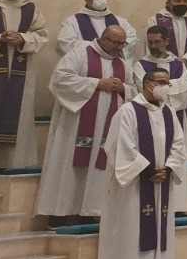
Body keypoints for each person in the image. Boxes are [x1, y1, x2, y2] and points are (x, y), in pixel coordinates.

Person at [96, 65, 185, 259]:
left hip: (161, 182)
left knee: (159, 227)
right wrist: (147, 171)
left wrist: (168, 168)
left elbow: (179, 146)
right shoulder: (128, 111)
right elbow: (119, 145)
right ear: (148, 84)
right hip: (134, 185)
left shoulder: (169, 113)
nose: (166, 87)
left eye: (168, 83)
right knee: (131, 228)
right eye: (162, 83)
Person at [36, 23, 131, 223]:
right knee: (70, 166)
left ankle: (91, 212)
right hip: (75, 126)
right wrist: (96, 83)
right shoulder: (79, 54)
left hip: (108, 127)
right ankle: (61, 213)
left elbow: (135, 91)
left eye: (122, 44)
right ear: (104, 38)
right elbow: (60, 80)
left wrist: (123, 88)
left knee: (100, 167)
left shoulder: (124, 63)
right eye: (115, 43)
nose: (118, 48)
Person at [131, 25, 187, 211]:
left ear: (167, 41)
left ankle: (177, 207)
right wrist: (170, 86)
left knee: (175, 154)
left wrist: (162, 87)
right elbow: (143, 87)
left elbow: (186, 87)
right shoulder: (140, 65)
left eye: (157, 41)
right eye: (149, 42)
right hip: (148, 117)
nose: (153, 45)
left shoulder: (178, 65)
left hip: (173, 117)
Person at [0, 0, 48, 170]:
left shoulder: (30, 8)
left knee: (20, 115)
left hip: (21, 74)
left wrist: (23, 38)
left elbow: (42, 34)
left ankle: (14, 164)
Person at [148, 0, 187, 156]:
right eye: (177, 1)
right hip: (161, 68)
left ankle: (186, 150)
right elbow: (151, 43)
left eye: (185, 1)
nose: (182, 4)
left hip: (184, 69)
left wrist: (185, 59)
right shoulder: (156, 20)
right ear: (168, 2)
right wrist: (170, 59)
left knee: (186, 110)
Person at [55, 0, 138, 60]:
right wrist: (99, 46)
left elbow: (132, 39)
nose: (102, 0)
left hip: (114, 66)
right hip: (87, 67)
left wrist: (115, 46)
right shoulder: (72, 22)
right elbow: (66, 43)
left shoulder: (120, 21)